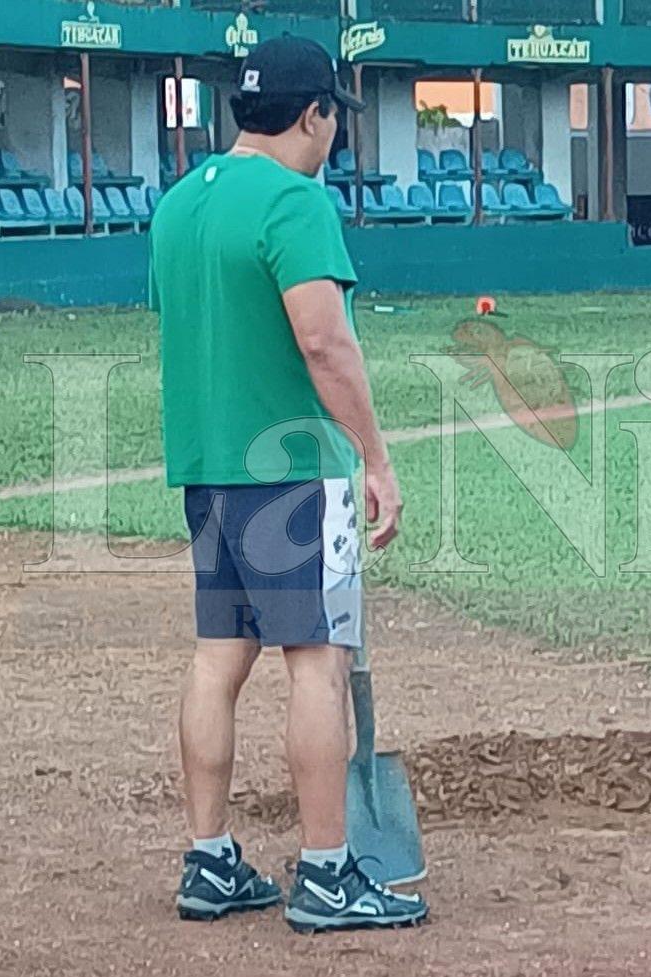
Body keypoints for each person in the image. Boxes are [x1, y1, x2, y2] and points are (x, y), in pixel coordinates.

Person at [149, 36, 428, 930]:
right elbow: (323, 340)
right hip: (298, 472)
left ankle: (209, 858)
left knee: (217, 660)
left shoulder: (177, 205)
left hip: (208, 467)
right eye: (332, 122)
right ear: (315, 116)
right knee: (319, 662)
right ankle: (325, 870)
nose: (332, 140)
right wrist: (375, 457)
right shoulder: (296, 201)